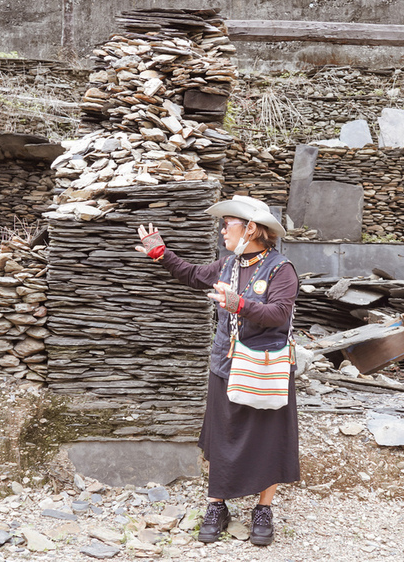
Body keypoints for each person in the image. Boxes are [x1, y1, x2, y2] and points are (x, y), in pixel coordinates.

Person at [135, 195, 300, 546]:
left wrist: (239, 304)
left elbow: (278, 314)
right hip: (226, 365)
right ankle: (216, 505)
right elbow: (193, 275)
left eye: (228, 224)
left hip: (266, 367)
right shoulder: (228, 265)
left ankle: (263, 509)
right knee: (223, 435)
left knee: (268, 438)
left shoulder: (281, 269)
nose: (223, 230)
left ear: (251, 228)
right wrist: (161, 254)